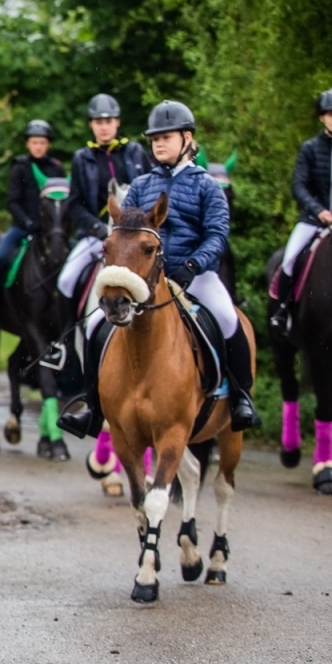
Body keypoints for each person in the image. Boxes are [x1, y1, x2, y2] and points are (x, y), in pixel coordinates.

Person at [59, 100, 259, 436]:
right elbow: (123, 234)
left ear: (187, 139)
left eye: (166, 137)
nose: (159, 144)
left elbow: (217, 234)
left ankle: (240, 398)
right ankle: (94, 407)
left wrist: (193, 265)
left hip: (194, 274)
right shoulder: (140, 185)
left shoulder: (207, 185)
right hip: (146, 280)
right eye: (155, 139)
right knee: (95, 325)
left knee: (227, 318)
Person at [57, 94, 151, 305]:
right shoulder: (82, 158)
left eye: (108, 121)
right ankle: (65, 337)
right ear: (91, 125)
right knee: (66, 279)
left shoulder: (135, 152)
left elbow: (150, 191)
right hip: (96, 235)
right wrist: (95, 227)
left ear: (117, 122)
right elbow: (74, 202)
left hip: (133, 234)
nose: (104, 127)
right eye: (99, 122)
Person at [0, 120, 65, 325]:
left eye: (42, 142)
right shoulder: (20, 168)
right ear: (28, 144)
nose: (38, 146)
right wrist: (27, 222)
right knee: (1, 258)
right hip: (23, 228)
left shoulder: (56, 169)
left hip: (51, 231)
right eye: (34, 142)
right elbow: (13, 201)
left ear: (48, 144)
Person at [269, 89, 332, 332]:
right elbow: (299, 185)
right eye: (330, 114)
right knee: (289, 259)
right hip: (313, 220)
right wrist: (318, 210)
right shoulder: (310, 149)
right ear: (322, 117)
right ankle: (284, 310)